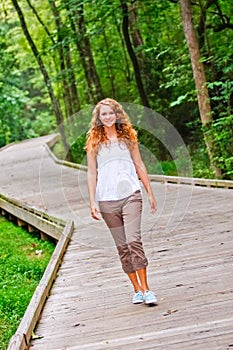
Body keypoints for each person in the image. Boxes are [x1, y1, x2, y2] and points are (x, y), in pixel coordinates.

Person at [86, 98, 157, 305]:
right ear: (98, 118)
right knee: (122, 246)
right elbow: (92, 172)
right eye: (103, 114)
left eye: (111, 113)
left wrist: (149, 192)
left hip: (131, 194)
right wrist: (92, 201)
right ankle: (136, 289)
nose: (107, 117)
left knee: (134, 240)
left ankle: (146, 289)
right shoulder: (94, 141)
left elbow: (139, 164)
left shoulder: (128, 137)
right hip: (106, 200)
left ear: (117, 114)